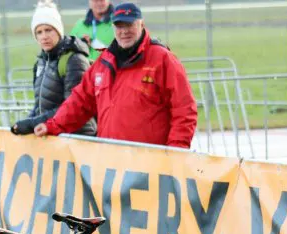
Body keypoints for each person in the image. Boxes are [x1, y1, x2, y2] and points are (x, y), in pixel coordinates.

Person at [34, 3, 197, 149]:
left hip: (150, 164)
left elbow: (184, 109)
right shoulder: (104, 62)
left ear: (141, 24)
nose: (124, 31)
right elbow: (80, 102)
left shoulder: (162, 59)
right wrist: (52, 126)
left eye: (129, 24)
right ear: (113, 28)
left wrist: (176, 152)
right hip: (111, 162)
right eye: (119, 26)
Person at [11, 0, 96, 136]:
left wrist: (32, 124)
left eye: (48, 30)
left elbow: (72, 106)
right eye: (39, 32)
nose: (44, 36)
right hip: (52, 136)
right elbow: (40, 105)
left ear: (58, 31)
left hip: (78, 138)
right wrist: (27, 122)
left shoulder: (74, 60)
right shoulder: (40, 63)